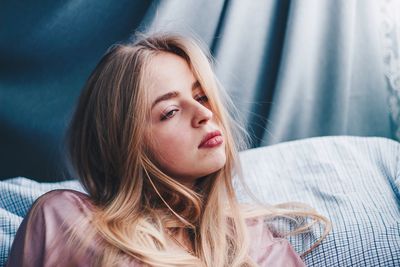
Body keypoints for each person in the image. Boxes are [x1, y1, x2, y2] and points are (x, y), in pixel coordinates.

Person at [6, 32, 330, 267]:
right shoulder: (65, 220)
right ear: (125, 144)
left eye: (202, 97)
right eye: (170, 111)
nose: (204, 114)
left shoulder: (255, 243)